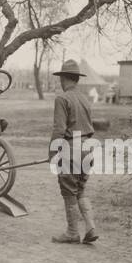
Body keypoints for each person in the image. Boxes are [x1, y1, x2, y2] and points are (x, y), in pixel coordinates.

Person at [49, 60, 99, 244]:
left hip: (72, 149)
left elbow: (59, 129)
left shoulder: (62, 99)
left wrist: (53, 153)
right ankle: (90, 227)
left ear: (63, 78)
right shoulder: (85, 98)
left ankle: (72, 232)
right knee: (80, 190)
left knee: (68, 191)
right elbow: (90, 127)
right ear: (76, 79)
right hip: (88, 146)